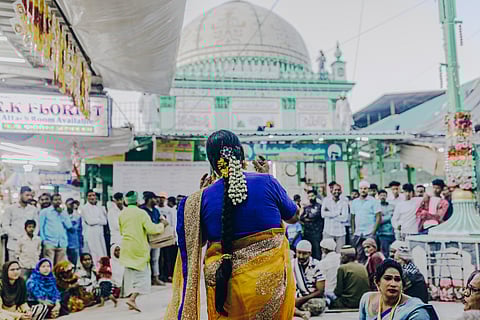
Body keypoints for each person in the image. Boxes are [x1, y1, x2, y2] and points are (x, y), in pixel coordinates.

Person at [166, 130, 299, 319]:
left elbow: (198, 242)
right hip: (268, 288)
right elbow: (294, 217)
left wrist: (203, 192)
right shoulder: (267, 182)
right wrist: (266, 177)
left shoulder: (199, 199)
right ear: (241, 155)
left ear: (212, 162)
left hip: (224, 289)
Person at [119, 191, 167, 312]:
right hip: (139, 247)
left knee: (130, 274)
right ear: (137, 201)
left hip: (126, 247)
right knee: (144, 276)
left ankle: (128, 297)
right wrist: (162, 224)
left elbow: (121, 230)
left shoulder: (122, 214)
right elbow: (152, 229)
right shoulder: (141, 213)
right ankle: (132, 299)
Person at [359, 259, 439, 320]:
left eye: (397, 279)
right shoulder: (367, 299)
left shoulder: (416, 311)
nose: (393, 284)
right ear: (377, 282)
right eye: (388, 278)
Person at [293, 240, 326, 318]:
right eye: (299, 253)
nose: (301, 256)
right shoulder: (291, 264)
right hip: (294, 298)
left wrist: (300, 300)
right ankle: (301, 313)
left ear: (310, 253)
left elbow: (320, 291)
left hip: (310, 299)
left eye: (304, 253)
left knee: (319, 305)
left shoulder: (317, 265)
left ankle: (295, 310)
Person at [3, 187, 37, 262]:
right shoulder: (10, 209)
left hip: (28, 244)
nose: (29, 197)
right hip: (14, 244)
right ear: (20, 194)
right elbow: (5, 225)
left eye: (30, 195)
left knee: (26, 268)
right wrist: (17, 236)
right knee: (13, 267)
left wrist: (31, 236)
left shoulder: (33, 209)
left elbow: (37, 225)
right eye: (27, 195)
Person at [351, 181, 381, 264]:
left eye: (365, 188)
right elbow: (352, 218)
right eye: (361, 188)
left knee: (372, 256)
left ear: (368, 189)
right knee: (359, 255)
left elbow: (378, 217)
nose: (363, 190)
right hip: (358, 233)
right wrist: (353, 232)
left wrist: (373, 233)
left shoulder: (374, 201)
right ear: (358, 190)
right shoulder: (354, 202)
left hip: (369, 232)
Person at [39, 194, 72, 267]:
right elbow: (41, 227)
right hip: (49, 242)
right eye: (55, 200)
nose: (58, 201)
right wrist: (44, 240)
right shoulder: (45, 212)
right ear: (51, 201)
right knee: (48, 265)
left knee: (60, 267)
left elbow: (69, 226)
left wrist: (62, 214)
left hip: (62, 242)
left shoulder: (63, 212)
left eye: (59, 199)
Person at [139, 191, 164, 286]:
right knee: (145, 259)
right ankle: (145, 280)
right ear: (149, 199)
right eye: (154, 198)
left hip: (156, 237)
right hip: (145, 238)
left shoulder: (156, 210)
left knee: (155, 259)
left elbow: (159, 219)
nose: (156, 200)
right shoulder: (141, 210)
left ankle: (155, 278)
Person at [80, 191, 107, 267]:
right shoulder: (84, 208)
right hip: (90, 235)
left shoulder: (99, 208)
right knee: (92, 253)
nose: (92, 197)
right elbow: (90, 221)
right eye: (90, 195)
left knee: (101, 253)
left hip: (99, 235)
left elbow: (105, 222)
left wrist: (96, 220)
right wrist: (99, 220)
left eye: (93, 195)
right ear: (87, 197)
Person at [321, 183, 349, 252]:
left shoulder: (344, 202)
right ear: (331, 190)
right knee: (326, 253)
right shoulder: (326, 200)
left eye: (339, 190)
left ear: (341, 191)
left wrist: (329, 214)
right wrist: (337, 213)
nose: (337, 191)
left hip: (341, 232)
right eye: (335, 190)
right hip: (328, 231)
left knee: (340, 254)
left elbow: (344, 218)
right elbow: (323, 214)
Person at [156, 192, 177, 283]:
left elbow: (172, 223)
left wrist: (173, 235)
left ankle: (168, 275)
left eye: (163, 198)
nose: (161, 199)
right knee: (159, 257)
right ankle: (160, 275)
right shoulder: (156, 209)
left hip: (167, 235)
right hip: (157, 235)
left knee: (167, 257)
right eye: (160, 198)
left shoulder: (169, 210)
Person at [301, 189, 324, 260]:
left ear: (315, 196)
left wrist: (307, 217)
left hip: (317, 232)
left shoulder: (319, 206)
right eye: (309, 196)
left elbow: (315, 216)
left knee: (317, 251)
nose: (311, 197)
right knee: (308, 250)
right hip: (307, 233)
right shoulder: (306, 207)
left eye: (312, 196)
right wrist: (306, 217)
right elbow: (301, 217)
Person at [375, 190, 396, 257]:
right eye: (381, 195)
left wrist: (384, 217)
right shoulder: (376, 207)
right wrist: (390, 216)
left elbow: (395, 217)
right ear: (378, 196)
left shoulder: (392, 206)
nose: (382, 197)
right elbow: (379, 220)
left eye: (384, 195)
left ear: (386, 196)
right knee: (385, 253)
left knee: (393, 252)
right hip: (382, 234)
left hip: (392, 233)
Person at [65, 199, 83, 269]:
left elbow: (75, 228)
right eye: (69, 204)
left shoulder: (77, 216)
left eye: (72, 204)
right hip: (64, 241)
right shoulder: (63, 214)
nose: (71, 205)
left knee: (74, 261)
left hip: (74, 241)